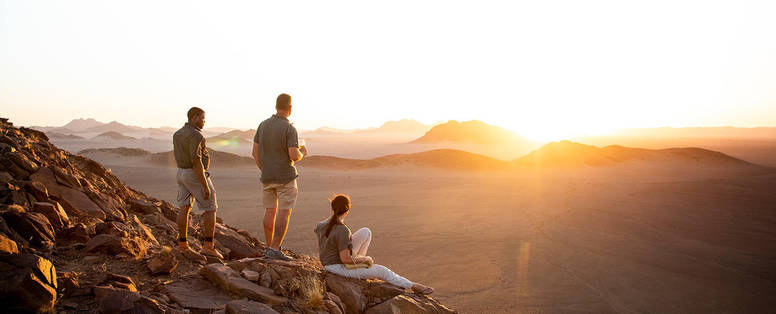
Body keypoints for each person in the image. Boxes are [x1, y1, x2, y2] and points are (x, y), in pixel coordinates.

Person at [314, 194, 434, 294]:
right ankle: (413, 286)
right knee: (382, 271)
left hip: (329, 263)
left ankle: (362, 269)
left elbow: (320, 248)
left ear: (333, 207)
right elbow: (345, 259)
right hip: (337, 267)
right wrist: (365, 260)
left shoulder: (322, 225)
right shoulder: (342, 230)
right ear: (347, 209)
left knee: (366, 232)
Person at [253, 93, 307, 261]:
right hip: (285, 177)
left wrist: (265, 169)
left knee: (270, 210)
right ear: (290, 108)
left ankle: (268, 246)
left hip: (267, 176)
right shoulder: (289, 128)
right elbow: (293, 154)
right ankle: (275, 248)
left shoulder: (263, 125)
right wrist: (302, 153)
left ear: (276, 106)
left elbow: (255, 153)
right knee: (284, 212)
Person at [172, 107, 223, 259]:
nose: (203, 122)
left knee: (184, 207)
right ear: (193, 118)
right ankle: (208, 246)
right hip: (193, 174)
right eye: (202, 118)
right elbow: (196, 160)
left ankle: (182, 245)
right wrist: (204, 184)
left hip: (181, 172)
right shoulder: (196, 135)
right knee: (210, 208)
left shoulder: (178, 133)